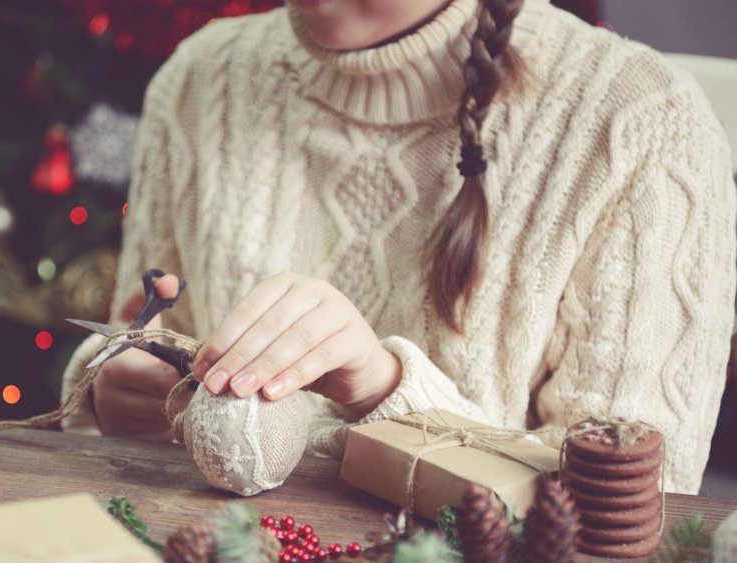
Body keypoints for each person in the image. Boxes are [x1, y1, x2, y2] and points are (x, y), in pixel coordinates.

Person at [60, 0, 736, 494]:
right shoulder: (200, 79)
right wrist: (110, 386)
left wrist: (381, 388)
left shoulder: (642, 123)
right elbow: (146, 322)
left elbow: (634, 504)